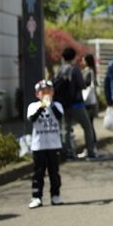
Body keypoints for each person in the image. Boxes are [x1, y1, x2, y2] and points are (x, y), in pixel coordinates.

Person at [53, 47, 97, 160]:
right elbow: (82, 85)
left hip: (63, 104)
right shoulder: (75, 69)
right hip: (76, 103)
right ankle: (90, 152)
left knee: (65, 129)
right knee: (87, 126)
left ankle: (68, 153)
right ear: (73, 57)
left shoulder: (59, 70)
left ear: (63, 57)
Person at [27, 80, 64, 208]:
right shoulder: (33, 106)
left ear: (53, 93)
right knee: (38, 172)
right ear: (37, 94)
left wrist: (51, 105)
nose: (46, 94)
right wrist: (42, 106)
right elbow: (32, 118)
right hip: (39, 145)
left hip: (54, 145)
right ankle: (36, 197)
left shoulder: (57, 105)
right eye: (43, 92)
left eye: (49, 91)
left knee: (54, 172)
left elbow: (59, 117)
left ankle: (55, 195)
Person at [81, 54, 99, 140]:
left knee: (88, 124)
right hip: (90, 101)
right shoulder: (91, 71)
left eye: (83, 60)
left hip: (88, 102)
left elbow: (84, 83)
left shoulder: (88, 72)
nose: (82, 62)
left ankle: (92, 142)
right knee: (89, 123)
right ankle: (92, 142)